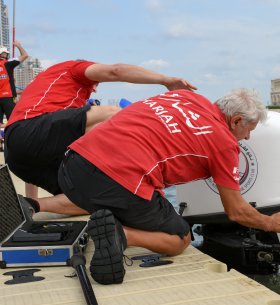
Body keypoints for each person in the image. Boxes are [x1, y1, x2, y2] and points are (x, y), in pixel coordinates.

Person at [58, 88, 280, 284]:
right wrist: (270, 222)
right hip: (116, 181)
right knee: (180, 236)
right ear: (236, 120)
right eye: (248, 130)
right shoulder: (224, 143)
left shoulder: (186, 97)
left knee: (128, 191)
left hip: (71, 167)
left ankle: (37, 205)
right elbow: (236, 211)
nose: (248, 138)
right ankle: (120, 235)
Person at [4, 59, 196, 218]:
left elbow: (34, 147)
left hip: (18, 158)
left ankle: (30, 205)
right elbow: (116, 71)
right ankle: (127, 169)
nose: (95, 89)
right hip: (24, 132)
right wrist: (166, 80)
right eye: (96, 83)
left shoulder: (49, 99)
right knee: (114, 114)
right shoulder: (72, 68)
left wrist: (31, 202)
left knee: (94, 199)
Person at [0, 41, 28, 153]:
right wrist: (19, 46)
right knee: (13, 121)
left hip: (3, 97)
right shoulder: (7, 64)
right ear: (4, 54)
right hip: (7, 97)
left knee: (1, 124)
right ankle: (14, 144)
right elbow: (25, 56)